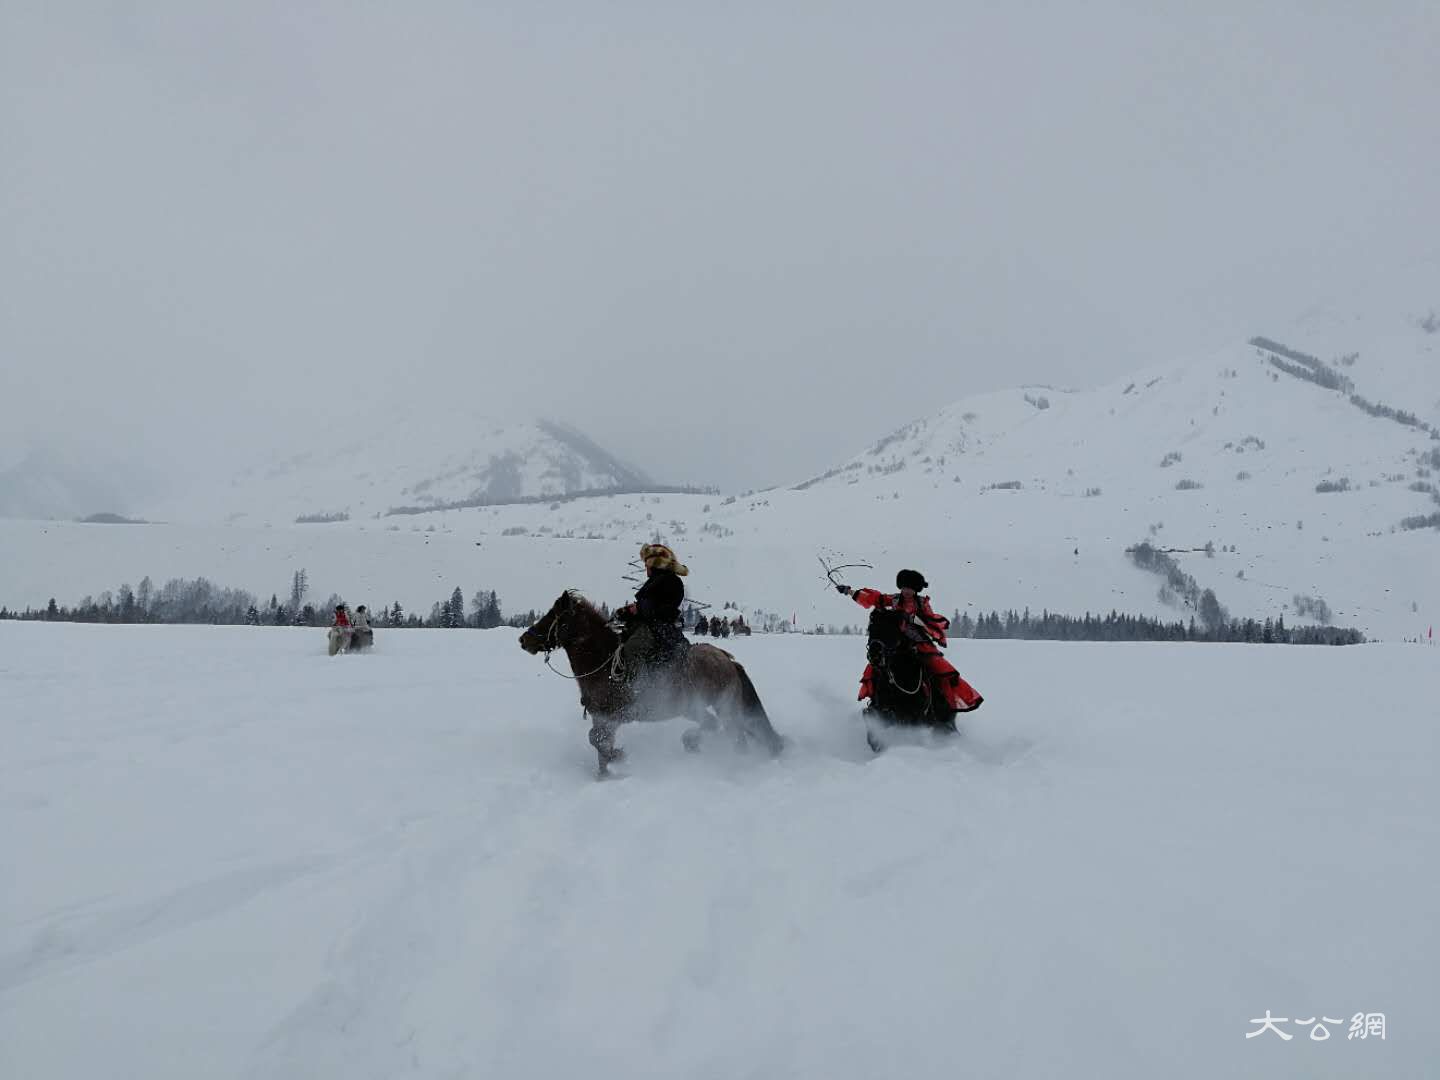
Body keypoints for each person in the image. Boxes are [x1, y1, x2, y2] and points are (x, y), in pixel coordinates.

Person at [837, 569, 983, 715]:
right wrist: (849, 591)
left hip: (917, 644)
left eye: (910, 588)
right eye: (905, 587)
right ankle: (875, 703)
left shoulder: (922, 603)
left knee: (938, 669)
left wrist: (913, 621)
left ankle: (940, 707)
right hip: (893, 642)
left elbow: (929, 622)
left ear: (915, 589)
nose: (907, 591)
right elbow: (872, 598)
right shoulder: (892, 599)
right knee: (875, 666)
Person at [616, 543, 689, 683]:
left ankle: (635, 687)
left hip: (659, 629)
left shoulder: (671, 581)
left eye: (646, 564)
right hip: (651, 625)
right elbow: (648, 606)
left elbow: (664, 610)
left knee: (632, 648)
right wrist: (627, 612)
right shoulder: (657, 580)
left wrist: (639, 609)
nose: (645, 568)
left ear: (654, 564)